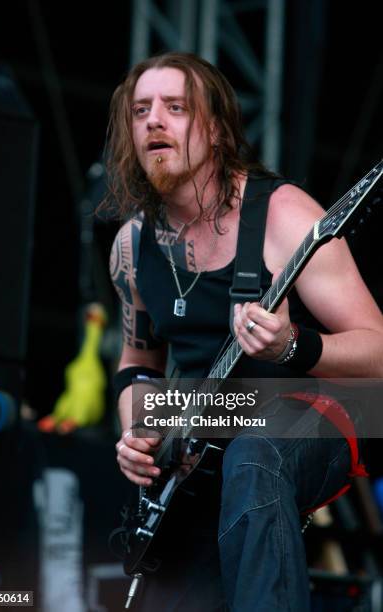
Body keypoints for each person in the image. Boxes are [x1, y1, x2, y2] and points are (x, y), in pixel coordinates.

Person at [104, 52, 383, 611]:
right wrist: (139, 434)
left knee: (255, 454)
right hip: (209, 427)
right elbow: (138, 362)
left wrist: (293, 346)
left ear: (215, 127)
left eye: (175, 107)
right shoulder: (131, 247)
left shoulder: (284, 216)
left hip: (317, 413)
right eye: (140, 111)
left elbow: (378, 350)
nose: (153, 120)